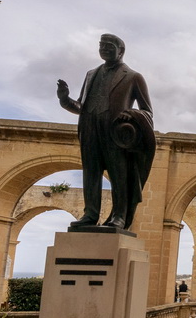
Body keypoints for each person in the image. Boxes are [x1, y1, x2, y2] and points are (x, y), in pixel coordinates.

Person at [57, 34, 154, 230]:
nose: (104, 49)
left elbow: (147, 111)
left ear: (121, 51)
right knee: (91, 173)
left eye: (109, 46)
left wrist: (131, 114)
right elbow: (81, 106)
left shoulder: (133, 77)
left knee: (119, 175)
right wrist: (65, 100)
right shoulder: (91, 74)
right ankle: (90, 214)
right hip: (90, 130)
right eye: (101, 45)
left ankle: (118, 216)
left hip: (116, 133)